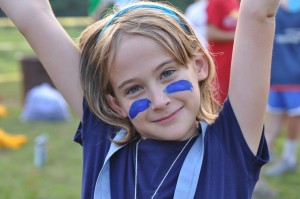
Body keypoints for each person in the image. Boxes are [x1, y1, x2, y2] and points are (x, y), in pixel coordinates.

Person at [0, 0, 280, 198]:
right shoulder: (104, 137)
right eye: (133, 89)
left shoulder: (230, 146)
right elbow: (33, 16)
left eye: (167, 73)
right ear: (114, 103)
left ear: (199, 66)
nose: (159, 100)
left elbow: (258, 13)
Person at [263, 0, 300, 176]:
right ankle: (258, 165)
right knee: (273, 124)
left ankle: (289, 158)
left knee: (294, 116)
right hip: (276, 76)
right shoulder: (272, 7)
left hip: (293, 77)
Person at [206, 0, 240, 104]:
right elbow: (211, 33)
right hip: (220, 67)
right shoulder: (216, 1)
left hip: (233, 67)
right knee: (218, 107)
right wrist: (239, 35)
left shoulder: (235, 2)